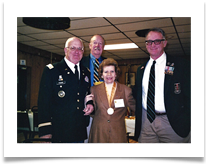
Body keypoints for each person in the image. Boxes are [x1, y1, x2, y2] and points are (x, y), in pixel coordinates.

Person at [133, 28, 191, 143]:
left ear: (164, 43)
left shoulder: (181, 65)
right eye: (149, 42)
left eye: (157, 41)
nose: (152, 45)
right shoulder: (141, 69)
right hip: (146, 123)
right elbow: (138, 94)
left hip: (171, 122)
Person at [38, 37, 94, 143]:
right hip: (59, 131)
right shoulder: (52, 71)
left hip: (79, 130)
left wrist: (90, 103)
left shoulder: (85, 72)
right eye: (73, 48)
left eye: (80, 49)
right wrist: (45, 131)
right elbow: (43, 102)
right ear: (65, 50)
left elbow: (86, 93)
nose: (77, 52)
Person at [88, 58, 135, 143]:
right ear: (101, 75)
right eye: (106, 72)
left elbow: (136, 108)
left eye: (112, 71)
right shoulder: (93, 90)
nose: (109, 74)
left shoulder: (126, 90)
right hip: (99, 133)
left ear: (116, 74)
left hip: (118, 134)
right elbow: (92, 112)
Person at [81, 34, 106, 142]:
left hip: (104, 106)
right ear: (90, 46)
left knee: (102, 138)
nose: (97, 45)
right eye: (95, 43)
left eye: (100, 43)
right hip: (85, 105)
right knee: (86, 138)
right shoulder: (80, 61)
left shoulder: (108, 63)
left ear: (103, 47)